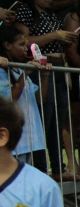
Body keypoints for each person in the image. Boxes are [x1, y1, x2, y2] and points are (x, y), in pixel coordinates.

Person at [14, 0, 79, 180]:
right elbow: (25, 41)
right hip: (41, 66)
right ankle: (42, 168)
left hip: (58, 65)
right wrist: (55, 35)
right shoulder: (25, 11)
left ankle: (58, 168)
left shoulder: (51, 14)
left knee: (59, 120)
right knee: (45, 118)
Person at [0, 26, 47, 172]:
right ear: (7, 45)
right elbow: (10, 99)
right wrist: (25, 74)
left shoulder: (19, 69)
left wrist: (45, 75)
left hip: (32, 138)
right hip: (15, 142)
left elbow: (40, 99)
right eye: (21, 45)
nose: (25, 49)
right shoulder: (4, 71)